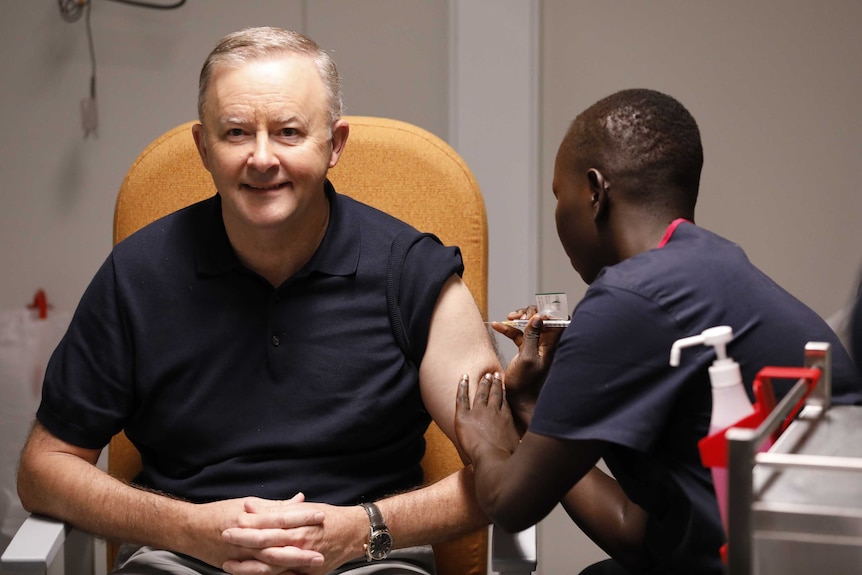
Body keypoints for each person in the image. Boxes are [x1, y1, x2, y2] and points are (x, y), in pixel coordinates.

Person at [16, 27, 499, 575]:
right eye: (237, 133)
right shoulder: (138, 275)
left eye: (289, 132)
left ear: (335, 144)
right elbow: (44, 468)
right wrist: (188, 529)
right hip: (180, 558)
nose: (262, 158)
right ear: (204, 147)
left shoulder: (416, 275)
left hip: (368, 559)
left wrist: (363, 529)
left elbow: (507, 472)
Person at [454, 88, 862, 575]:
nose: (559, 215)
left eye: (559, 198)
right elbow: (635, 530)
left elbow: (509, 501)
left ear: (595, 192)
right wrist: (530, 407)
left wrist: (482, 438)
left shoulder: (627, 301)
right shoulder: (710, 267)